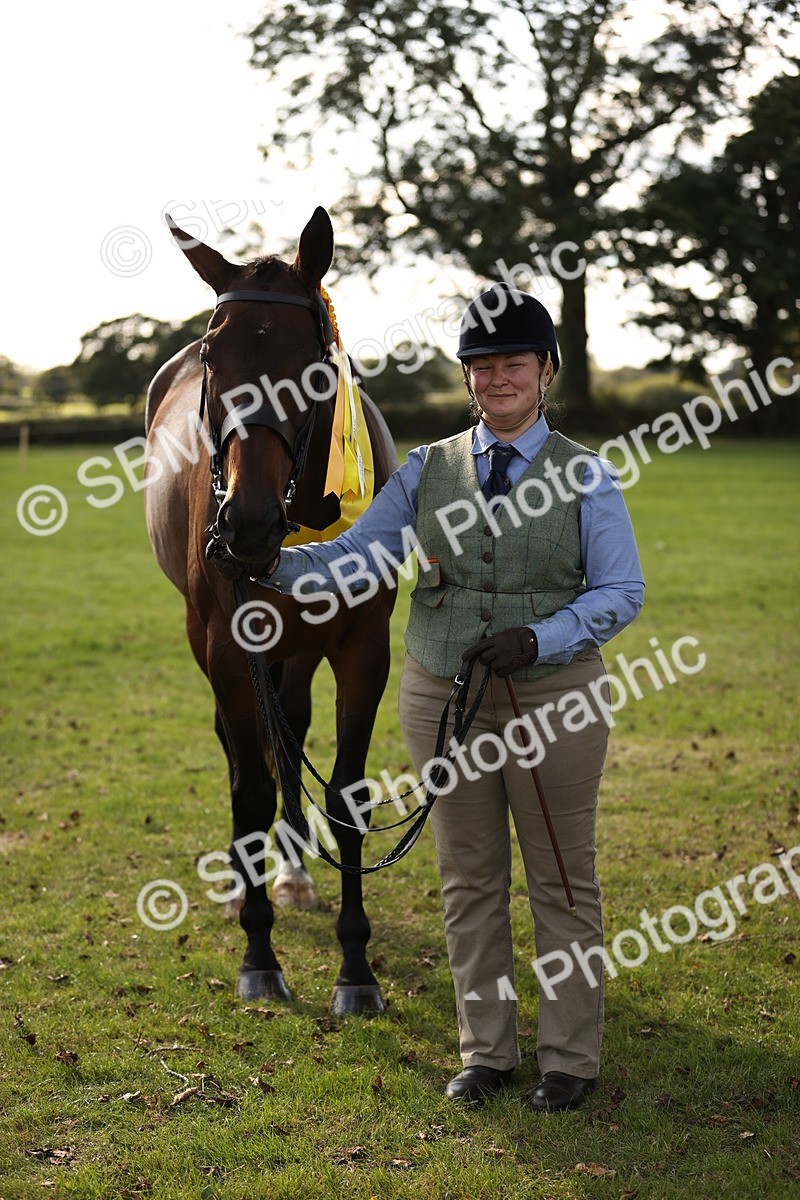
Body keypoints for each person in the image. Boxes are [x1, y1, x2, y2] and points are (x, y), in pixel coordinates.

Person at [258, 283, 644, 1110]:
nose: (497, 378)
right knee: (468, 878)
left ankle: (569, 1058)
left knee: (561, 880)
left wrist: (541, 637)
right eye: (482, 365)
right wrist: (272, 565)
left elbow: (622, 591)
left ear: (546, 371)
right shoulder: (428, 469)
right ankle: (486, 1052)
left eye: (514, 363)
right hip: (442, 695)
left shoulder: (588, 474)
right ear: (466, 377)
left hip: (554, 702)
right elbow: (358, 557)